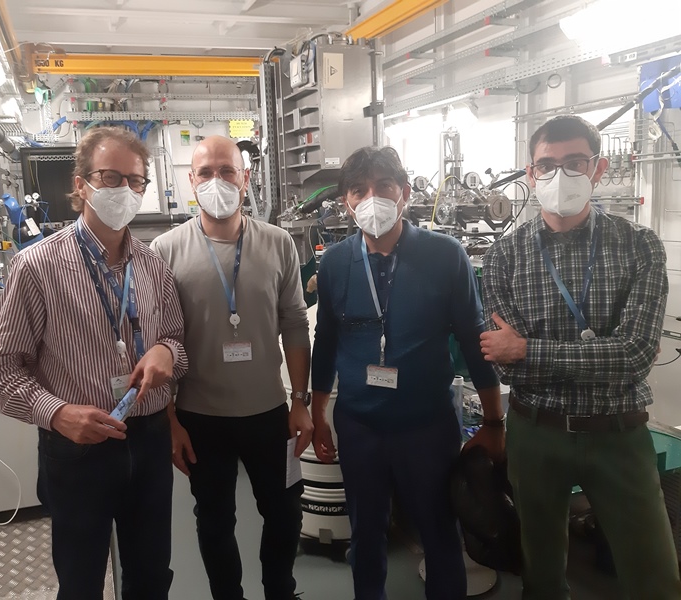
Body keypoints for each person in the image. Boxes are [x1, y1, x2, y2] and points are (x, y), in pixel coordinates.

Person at [0, 127, 188, 600]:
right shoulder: (37, 267)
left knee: (152, 578)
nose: (124, 190)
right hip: (78, 448)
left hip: (148, 439)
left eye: (135, 181)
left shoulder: (153, 266)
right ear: (81, 184)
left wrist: (166, 352)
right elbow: (0, 367)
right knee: (80, 584)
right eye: (110, 177)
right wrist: (56, 414)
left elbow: (177, 341)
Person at [481, 114, 681, 600]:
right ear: (531, 174)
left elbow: (635, 355)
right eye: (547, 165)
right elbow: (503, 364)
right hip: (535, 432)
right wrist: (602, 355)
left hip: (618, 433)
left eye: (575, 162)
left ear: (598, 168)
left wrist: (529, 349)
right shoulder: (505, 256)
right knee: (541, 575)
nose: (560, 175)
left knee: (654, 576)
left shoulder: (639, 246)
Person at [311, 146, 502, 600]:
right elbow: (327, 341)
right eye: (359, 191)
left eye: (384, 187)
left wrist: (494, 421)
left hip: (427, 426)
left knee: (440, 532)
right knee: (366, 535)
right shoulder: (335, 262)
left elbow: (474, 340)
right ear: (346, 202)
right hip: (359, 427)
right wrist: (317, 414)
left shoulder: (445, 255)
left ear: (405, 194)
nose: (371, 199)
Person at [151, 135, 313, 600]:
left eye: (227, 171)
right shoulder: (164, 250)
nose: (216, 181)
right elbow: (160, 341)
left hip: (270, 412)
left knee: (285, 511)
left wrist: (300, 401)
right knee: (215, 520)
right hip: (201, 418)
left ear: (246, 178)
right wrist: (170, 420)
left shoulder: (278, 243)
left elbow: (295, 324)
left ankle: (280, 590)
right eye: (206, 172)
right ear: (191, 181)